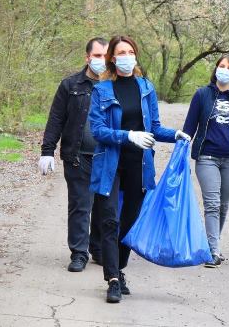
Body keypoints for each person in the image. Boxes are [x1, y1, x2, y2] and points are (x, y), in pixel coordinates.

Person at [88, 35, 191, 303]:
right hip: (111, 164)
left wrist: (176, 134)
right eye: (121, 52)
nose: (126, 56)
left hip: (139, 164)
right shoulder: (101, 91)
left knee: (129, 222)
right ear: (112, 57)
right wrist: (128, 136)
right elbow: (98, 131)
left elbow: (154, 128)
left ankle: (119, 270)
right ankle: (111, 279)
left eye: (131, 51)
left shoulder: (145, 87)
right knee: (109, 220)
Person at [38, 37, 109, 272]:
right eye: (97, 56)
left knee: (104, 205)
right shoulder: (71, 85)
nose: (101, 60)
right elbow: (56, 118)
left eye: (105, 56)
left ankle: (98, 249)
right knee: (80, 205)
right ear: (87, 57)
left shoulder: (115, 86)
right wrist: (47, 151)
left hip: (107, 156)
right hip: (78, 155)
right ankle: (79, 252)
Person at [182, 55, 229, 267]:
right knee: (212, 204)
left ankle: (211, 244)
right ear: (216, 69)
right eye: (221, 66)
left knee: (223, 205)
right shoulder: (202, 95)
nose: (224, 70)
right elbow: (189, 127)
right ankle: (213, 250)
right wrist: (180, 152)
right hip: (207, 158)